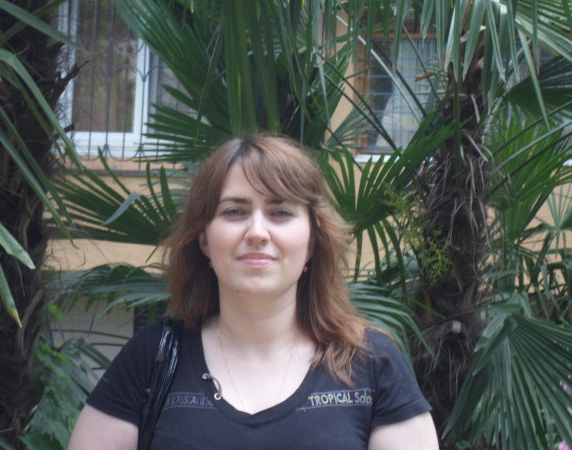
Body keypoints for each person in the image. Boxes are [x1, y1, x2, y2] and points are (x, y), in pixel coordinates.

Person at [68, 135, 439, 449]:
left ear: (312, 242)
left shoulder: (372, 363)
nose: (258, 232)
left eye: (280, 213)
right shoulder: (152, 359)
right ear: (204, 240)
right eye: (234, 212)